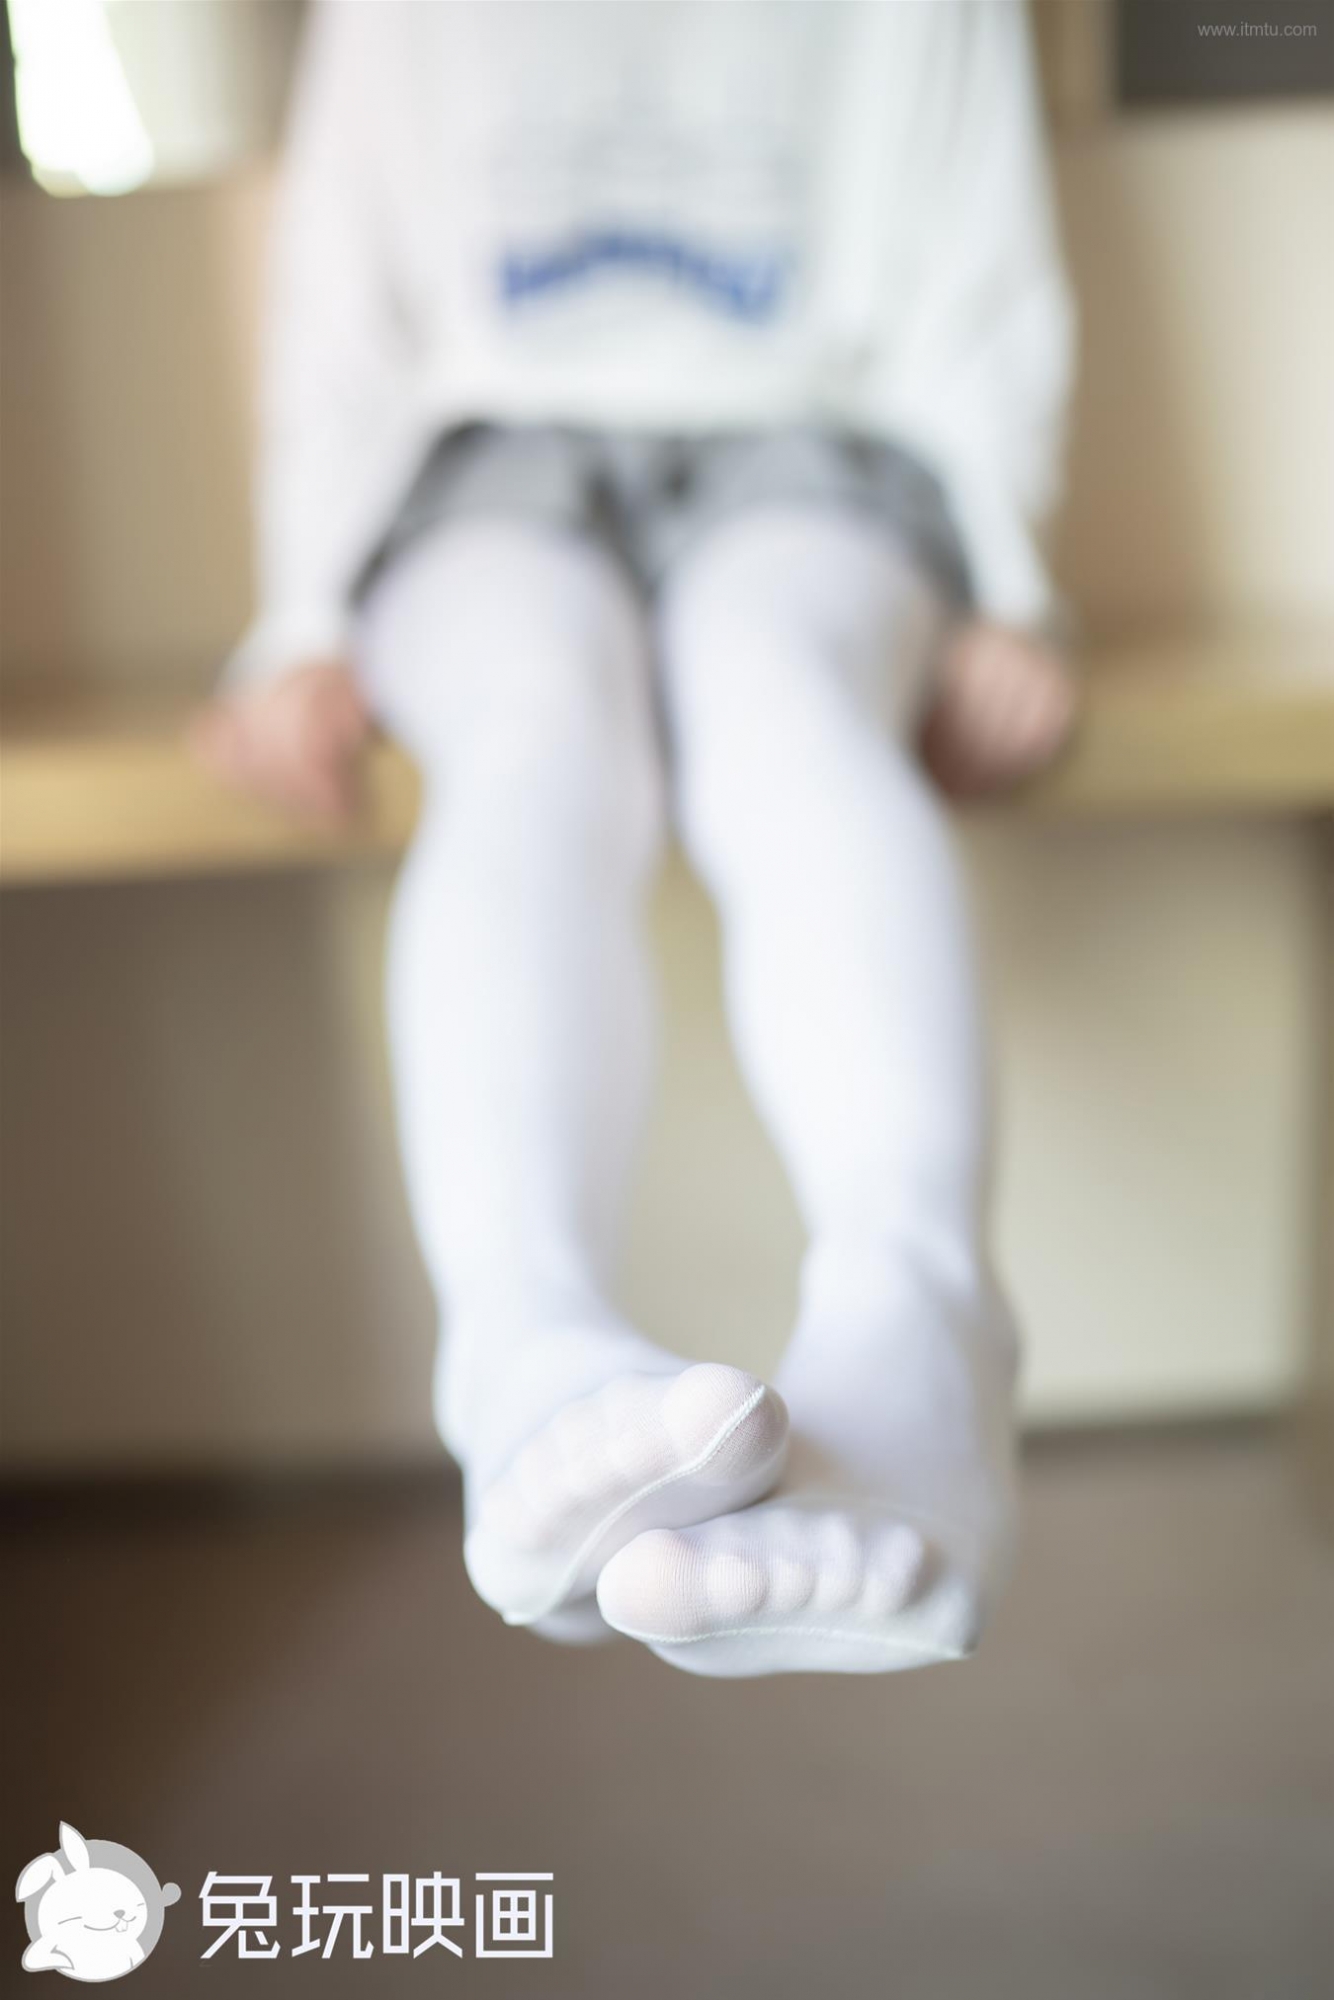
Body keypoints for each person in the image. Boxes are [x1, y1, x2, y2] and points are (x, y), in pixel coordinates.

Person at [194, 0, 1076, 1676]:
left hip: (820, 441)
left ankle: (920, 1312)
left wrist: (1007, 586)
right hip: (478, 450)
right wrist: (301, 618)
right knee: (529, 719)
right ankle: (519, 1335)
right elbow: (344, 292)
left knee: (784, 694)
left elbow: (981, 268)